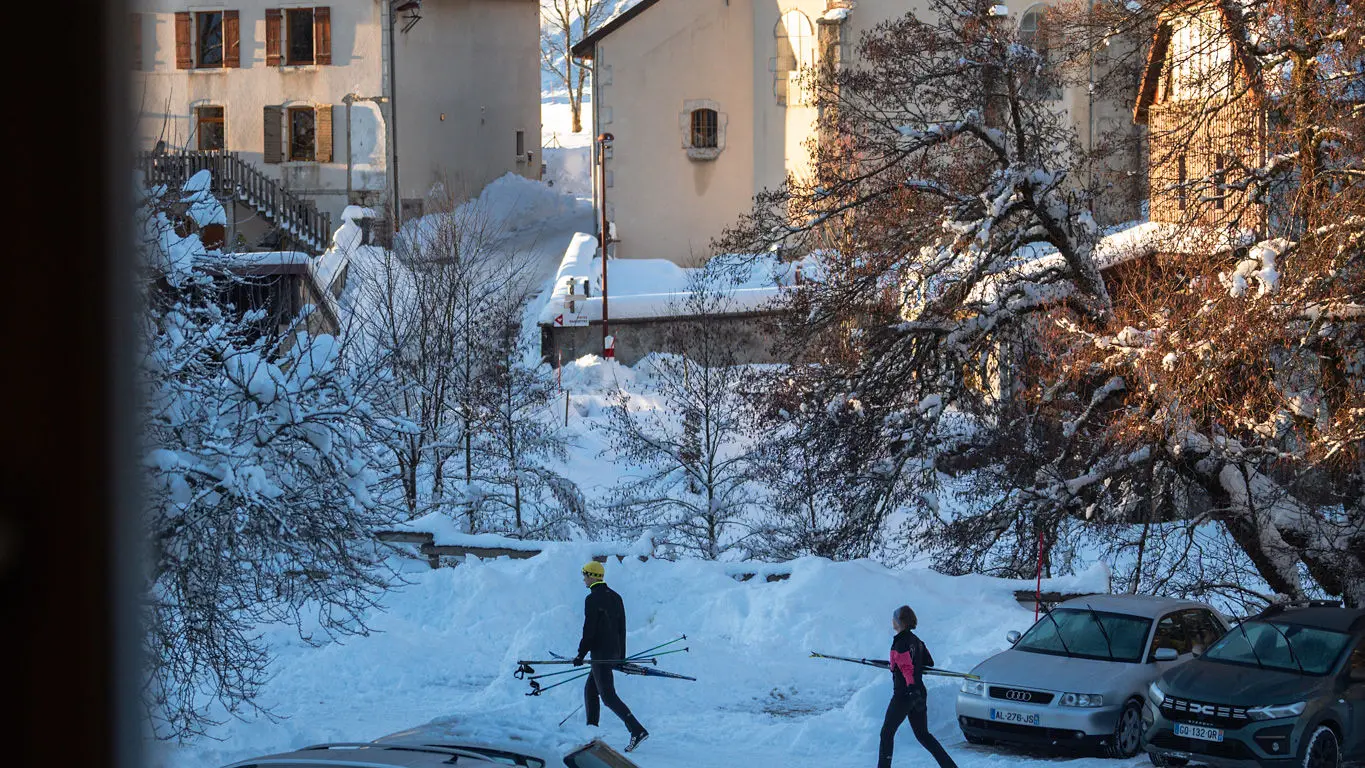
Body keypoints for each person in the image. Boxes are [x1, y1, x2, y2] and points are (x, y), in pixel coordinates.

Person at [573, 561, 649, 752]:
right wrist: (620, 657)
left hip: (600, 654)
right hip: (612, 652)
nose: (583, 579)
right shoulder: (616, 597)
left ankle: (636, 729)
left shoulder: (591, 600)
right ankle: (591, 733)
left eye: (585, 575)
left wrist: (581, 654)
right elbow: (622, 629)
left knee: (607, 696)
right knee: (591, 691)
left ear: (592, 576)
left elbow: (588, 631)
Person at [879, 605, 958, 768]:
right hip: (919, 693)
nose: (892, 621)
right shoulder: (917, 641)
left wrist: (902, 672)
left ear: (900, 621)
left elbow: (907, 669)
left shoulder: (900, 643)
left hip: (905, 695)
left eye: (894, 618)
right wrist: (898, 664)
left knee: (886, 733)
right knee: (923, 735)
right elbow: (928, 662)